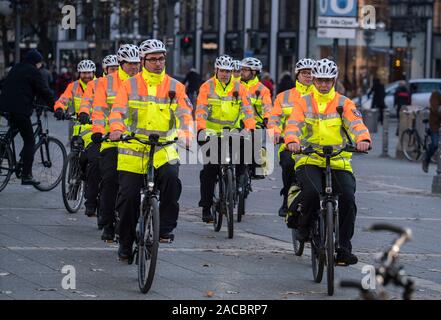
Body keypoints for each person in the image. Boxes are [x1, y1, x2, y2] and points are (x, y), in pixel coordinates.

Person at [108, 39, 193, 262]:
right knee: (127, 198)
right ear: (143, 61)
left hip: (163, 149)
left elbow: (185, 114)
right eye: (153, 59)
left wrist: (186, 134)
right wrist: (116, 129)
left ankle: (164, 228)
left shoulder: (176, 86)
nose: (158, 63)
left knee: (172, 181)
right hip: (133, 148)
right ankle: (125, 244)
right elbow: (117, 112)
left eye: (161, 58)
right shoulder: (129, 86)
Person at [285, 58, 371, 266]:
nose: (323, 85)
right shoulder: (303, 102)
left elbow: (357, 124)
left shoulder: (344, 103)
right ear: (313, 80)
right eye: (320, 80)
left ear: (334, 80)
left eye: (328, 81)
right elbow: (293, 125)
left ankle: (342, 248)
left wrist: (363, 139)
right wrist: (293, 141)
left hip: (338, 160)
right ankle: (303, 227)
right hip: (309, 158)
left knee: (348, 198)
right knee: (313, 193)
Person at [88, 46, 141, 241]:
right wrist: (99, 131)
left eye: (137, 63)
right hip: (112, 140)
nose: (134, 67)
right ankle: (108, 223)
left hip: (136, 141)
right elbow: (100, 110)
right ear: (121, 64)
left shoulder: (144, 82)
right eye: (130, 64)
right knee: (110, 180)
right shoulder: (105, 82)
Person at [196, 55, 256, 223]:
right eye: (222, 70)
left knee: (245, 150)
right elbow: (200, 111)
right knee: (209, 170)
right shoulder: (207, 87)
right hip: (211, 133)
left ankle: (238, 181)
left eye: (228, 71)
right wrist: (201, 129)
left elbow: (248, 111)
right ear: (216, 70)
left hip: (233, 132)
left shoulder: (240, 88)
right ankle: (206, 207)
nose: (224, 74)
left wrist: (250, 128)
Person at [268, 58, 315, 218]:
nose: (308, 76)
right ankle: (286, 200)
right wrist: (275, 132)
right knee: (288, 165)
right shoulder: (284, 97)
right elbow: (275, 118)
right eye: (305, 73)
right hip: (289, 144)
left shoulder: (320, 96)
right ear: (297, 75)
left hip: (314, 146)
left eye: (311, 73)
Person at [0, 49, 55, 186]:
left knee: (13, 131)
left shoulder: (16, 67)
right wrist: (55, 107)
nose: (40, 66)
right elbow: (44, 90)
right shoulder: (33, 71)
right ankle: (26, 175)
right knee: (30, 140)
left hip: (5, 107)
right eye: (40, 63)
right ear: (36, 62)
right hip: (20, 109)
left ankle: (5, 151)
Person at [54, 60, 97, 216]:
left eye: (89, 73)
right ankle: (73, 188)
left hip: (95, 129)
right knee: (74, 158)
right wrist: (59, 109)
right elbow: (64, 99)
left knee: (93, 161)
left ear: (94, 73)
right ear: (79, 73)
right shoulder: (73, 86)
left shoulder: (100, 85)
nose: (86, 76)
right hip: (78, 129)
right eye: (84, 73)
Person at [240, 57, 272, 178]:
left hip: (256, 124)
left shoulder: (263, 90)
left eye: (245, 70)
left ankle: (256, 169)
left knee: (255, 141)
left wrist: (266, 118)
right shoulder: (235, 85)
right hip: (237, 123)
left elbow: (267, 107)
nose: (242, 72)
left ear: (254, 72)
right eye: (241, 69)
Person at [422, 86, 441, 173]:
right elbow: (435, 108)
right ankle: (426, 159)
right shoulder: (436, 94)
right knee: (435, 144)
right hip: (435, 124)